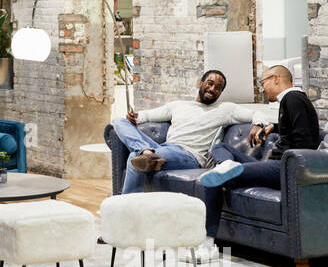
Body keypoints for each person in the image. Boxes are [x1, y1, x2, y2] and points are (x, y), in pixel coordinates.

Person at [112, 70, 264, 194]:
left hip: (189, 156)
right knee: (119, 122)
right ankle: (145, 151)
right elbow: (146, 116)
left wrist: (259, 124)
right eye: (210, 83)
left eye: (218, 88)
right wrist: (134, 117)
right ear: (201, 83)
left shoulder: (225, 109)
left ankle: (126, 210)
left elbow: (257, 114)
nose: (212, 89)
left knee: (134, 156)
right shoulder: (178, 105)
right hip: (164, 148)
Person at [200, 64, 320, 189]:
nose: (262, 89)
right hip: (275, 165)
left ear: (275, 79)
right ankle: (226, 165)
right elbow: (298, 127)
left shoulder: (293, 99)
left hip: (283, 167)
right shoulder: (292, 99)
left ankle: (228, 170)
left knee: (218, 177)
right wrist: (273, 127)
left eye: (263, 83)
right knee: (220, 147)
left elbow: (304, 141)